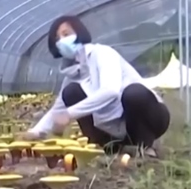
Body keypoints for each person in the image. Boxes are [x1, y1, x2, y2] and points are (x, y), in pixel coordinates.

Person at [20, 15, 169, 157]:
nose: (62, 41)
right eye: (57, 39)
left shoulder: (102, 53)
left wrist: (69, 114)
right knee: (70, 92)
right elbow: (58, 109)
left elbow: (110, 91)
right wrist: (36, 132)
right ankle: (106, 145)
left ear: (79, 32)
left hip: (149, 118)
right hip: (113, 128)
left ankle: (145, 145)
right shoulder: (72, 73)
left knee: (134, 93)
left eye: (66, 34)